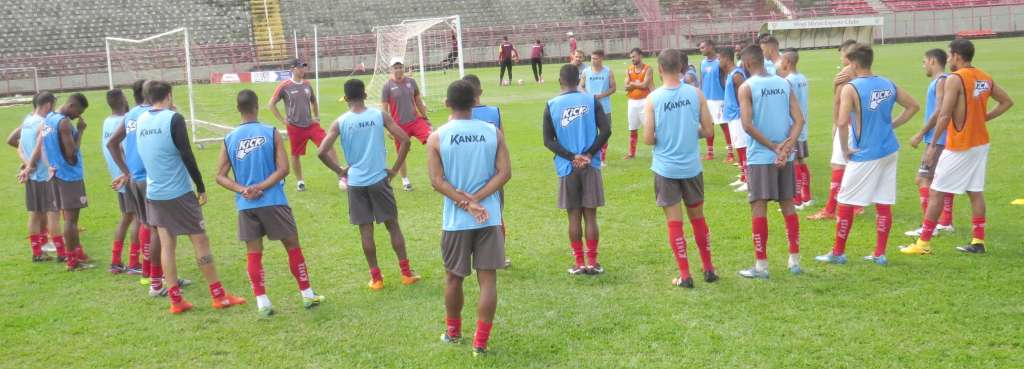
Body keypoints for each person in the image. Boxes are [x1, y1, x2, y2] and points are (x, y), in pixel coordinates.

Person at [135, 81, 245, 314]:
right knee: (200, 241)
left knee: (167, 245)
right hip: (178, 192)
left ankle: (175, 300)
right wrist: (201, 186)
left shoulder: (142, 119)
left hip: (155, 192)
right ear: (169, 95)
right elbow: (186, 154)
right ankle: (218, 295)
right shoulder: (174, 119)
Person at [901, 39, 1014, 255]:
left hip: (960, 144)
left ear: (957, 56)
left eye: (949, 54)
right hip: (980, 142)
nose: (948, 59)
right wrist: (984, 118)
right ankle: (978, 241)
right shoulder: (984, 76)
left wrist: (931, 146)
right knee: (975, 191)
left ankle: (923, 244)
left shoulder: (955, 78)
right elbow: (1007, 102)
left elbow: (944, 115)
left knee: (936, 191)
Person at [217, 90, 324, 317]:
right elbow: (284, 169)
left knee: (253, 253)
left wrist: (244, 189)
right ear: (256, 106)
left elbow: (220, 176)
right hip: (274, 201)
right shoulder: (270, 132)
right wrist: (262, 187)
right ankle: (307, 294)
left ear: (238, 109)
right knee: (292, 245)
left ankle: (262, 302)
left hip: (246, 205)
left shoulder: (229, 138)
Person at [815, 43, 919, 266]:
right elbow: (913, 106)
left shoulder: (850, 88)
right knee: (883, 201)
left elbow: (842, 122)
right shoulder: (887, 83)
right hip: (889, 150)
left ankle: (838, 252)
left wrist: (844, 149)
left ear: (853, 64)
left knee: (845, 200)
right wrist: (892, 125)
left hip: (865, 152)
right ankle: (879, 253)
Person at [428, 80, 511, 356]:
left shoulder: (437, 137)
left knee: (454, 278)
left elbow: (436, 181)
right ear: (475, 101)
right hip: (489, 218)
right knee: (488, 281)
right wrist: (477, 199)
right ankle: (480, 343)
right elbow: (504, 173)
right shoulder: (492, 132)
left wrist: (465, 202)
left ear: (447, 103)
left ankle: (453, 333)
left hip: (456, 221)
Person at [318, 79, 420, 289]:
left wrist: (340, 171)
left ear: (346, 98)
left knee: (366, 231)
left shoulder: (340, 122)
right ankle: (406, 274)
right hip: (379, 179)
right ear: (365, 95)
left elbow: (321, 152)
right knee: (393, 226)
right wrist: (394, 169)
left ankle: (376, 279)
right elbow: (405, 140)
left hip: (356, 183)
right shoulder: (379, 115)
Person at [643, 49, 718, 288]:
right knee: (698, 218)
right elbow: (709, 131)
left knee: (675, 222)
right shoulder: (696, 93)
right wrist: (689, 133)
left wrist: (665, 137)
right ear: (682, 68)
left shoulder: (653, 99)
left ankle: (685, 275)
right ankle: (709, 268)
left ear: (660, 69)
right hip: (691, 168)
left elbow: (648, 138)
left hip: (666, 168)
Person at [736, 45, 804, 279]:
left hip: (761, 157)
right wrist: (786, 148)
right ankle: (794, 261)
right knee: (788, 205)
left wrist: (775, 148)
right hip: (786, 156)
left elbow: (747, 125)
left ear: (746, 64)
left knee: (758, 206)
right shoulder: (784, 83)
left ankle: (761, 265)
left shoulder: (746, 87)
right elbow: (799, 120)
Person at [544, 64, 612, 275]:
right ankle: (593, 262)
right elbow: (606, 130)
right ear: (579, 80)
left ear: (560, 81)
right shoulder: (591, 100)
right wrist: (589, 154)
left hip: (567, 167)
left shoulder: (552, 104)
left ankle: (579, 263)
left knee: (573, 215)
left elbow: (548, 140)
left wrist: (572, 157)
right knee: (590, 215)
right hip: (590, 165)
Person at [108, 79, 170, 290]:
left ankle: (146, 273)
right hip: (152, 178)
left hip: (135, 178)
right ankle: (157, 278)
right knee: (158, 228)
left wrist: (126, 171)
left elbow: (112, 143)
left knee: (145, 223)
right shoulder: (153, 114)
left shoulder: (131, 115)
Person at [905, 49, 956, 237]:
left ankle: (930, 226)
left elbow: (940, 110)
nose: (923, 65)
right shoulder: (946, 80)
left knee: (923, 179)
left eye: (924, 61)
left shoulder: (941, 81)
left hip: (938, 139)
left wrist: (921, 134)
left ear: (933, 61)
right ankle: (945, 222)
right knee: (940, 180)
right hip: (944, 138)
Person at [463, 74, 512, 267]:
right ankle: (499, 256)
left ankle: (468, 255)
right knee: (496, 216)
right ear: (480, 92)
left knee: (467, 216)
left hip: (467, 177)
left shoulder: (459, 116)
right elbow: (502, 143)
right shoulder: (494, 113)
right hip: (493, 177)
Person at [268, 58, 339, 192]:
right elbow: (271, 104)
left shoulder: (307, 84)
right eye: (300, 67)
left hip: (311, 125)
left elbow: (314, 101)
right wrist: (282, 120)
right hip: (295, 127)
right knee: (295, 154)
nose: (303, 69)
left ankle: (340, 174)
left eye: (304, 67)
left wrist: (316, 117)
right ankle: (300, 181)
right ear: (293, 69)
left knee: (328, 144)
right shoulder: (284, 86)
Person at [40, 92, 92, 271]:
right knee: (71, 220)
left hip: (56, 173)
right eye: (79, 111)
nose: (78, 115)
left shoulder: (49, 119)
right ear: (71, 106)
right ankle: (72, 261)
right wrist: (81, 131)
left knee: (68, 218)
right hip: (69, 176)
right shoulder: (63, 123)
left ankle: (77, 255)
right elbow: (71, 154)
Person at [7, 91, 62, 262]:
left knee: (35, 214)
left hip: (32, 177)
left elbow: (20, 148)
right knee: (53, 214)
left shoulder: (27, 122)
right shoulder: (43, 124)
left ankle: (37, 252)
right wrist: (31, 165)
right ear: (48, 105)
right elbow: (41, 149)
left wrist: (27, 167)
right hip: (46, 176)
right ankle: (61, 253)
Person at [809, 39, 860, 221]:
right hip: (860, 126)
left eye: (842, 54)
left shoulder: (845, 73)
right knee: (854, 164)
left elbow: (838, 102)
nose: (840, 58)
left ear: (848, 54)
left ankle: (830, 209)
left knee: (838, 165)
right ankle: (857, 205)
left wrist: (835, 124)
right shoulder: (862, 72)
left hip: (847, 124)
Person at [100, 89, 141, 274]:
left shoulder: (107, 121)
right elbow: (123, 149)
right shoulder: (124, 121)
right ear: (124, 100)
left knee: (126, 217)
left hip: (117, 174)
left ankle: (116, 260)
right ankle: (134, 262)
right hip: (127, 176)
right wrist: (128, 173)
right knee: (138, 218)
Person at [381, 57, 432, 191]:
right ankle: (405, 180)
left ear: (403, 68)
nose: (398, 69)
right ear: (391, 69)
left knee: (433, 141)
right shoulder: (387, 86)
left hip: (415, 121)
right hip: (398, 126)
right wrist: (388, 128)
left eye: (400, 67)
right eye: (395, 67)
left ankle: (438, 176)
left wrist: (425, 117)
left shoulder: (411, 82)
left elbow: (418, 100)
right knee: (401, 154)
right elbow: (384, 109)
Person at [776, 48, 813, 209]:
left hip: (793, 127)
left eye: (782, 60)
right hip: (802, 126)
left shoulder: (788, 81)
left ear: (788, 62)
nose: (780, 63)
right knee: (801, 160)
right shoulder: (802, 78)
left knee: (794, 163)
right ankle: (807, 196)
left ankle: (797, 199)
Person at [720, 46, 750, 193]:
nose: (719, 62)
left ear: (726, 58)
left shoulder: (737, 75)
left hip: (738, 116)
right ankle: (743, 176)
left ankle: (749, 179)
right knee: (738, 146)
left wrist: (742, 114)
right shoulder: (730, 74)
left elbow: (744, 97)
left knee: (743, 147)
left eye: (720, 58)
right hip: (731, 116)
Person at [698, 39, 733, 162]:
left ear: (711, 47)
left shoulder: (720, 62)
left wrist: (727, 97)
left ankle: (730, 154)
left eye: (703, 47)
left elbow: (726, 78)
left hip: (719, 99)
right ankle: (710, 153)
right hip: (707, 99)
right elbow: (702, 80)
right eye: (700, 48)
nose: (701, 50)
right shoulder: (703, 63)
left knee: (725, 126)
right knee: (708, 126)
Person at [579, 49, 616, 164]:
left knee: (605, 132)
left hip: (605, 108)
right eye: (591, 58)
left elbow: (613, 88)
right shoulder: (586, 72)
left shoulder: (608, 71)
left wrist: (600, 96)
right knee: (589, 132)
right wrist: (588, 96)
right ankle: (589, 155)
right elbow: (580, 86)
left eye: (595, 58)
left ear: (601, 59)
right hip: (589, 108)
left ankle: (602, 158)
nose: (593, 61)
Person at [624, 47, 653, 160]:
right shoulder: (629, 69)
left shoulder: (648, 68)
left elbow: (645, 85)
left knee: (650, 127)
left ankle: (657, 151)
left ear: (640, 56)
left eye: (634, 56)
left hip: (645, 101)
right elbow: (626, 86)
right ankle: (631, 154)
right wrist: (636, 84)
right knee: (632, 128)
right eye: (631, 57)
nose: (632, 59)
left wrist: (632, 84)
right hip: (632, 102)